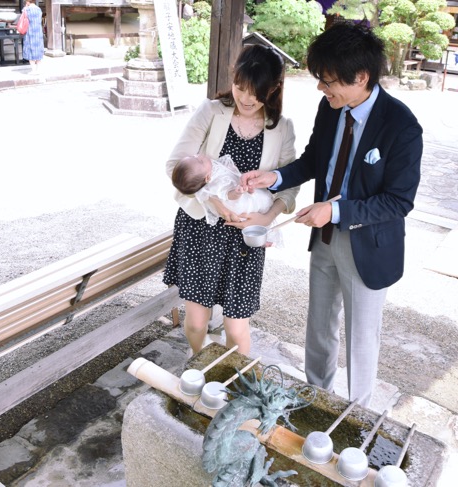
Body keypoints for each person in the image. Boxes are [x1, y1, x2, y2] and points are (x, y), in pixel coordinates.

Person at [241, 22, 422, 407]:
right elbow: (313, 161)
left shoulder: (402, 126)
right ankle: (315, 399)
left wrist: (335, 210)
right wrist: (272, 176)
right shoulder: (331, 107)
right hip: (324, 239)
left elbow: (398, 201)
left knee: (361, 337)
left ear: (361, 77)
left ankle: (357, 413)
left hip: (368, 245)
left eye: (328, 81)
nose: (322, 89)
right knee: (320, 326)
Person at [163, 45, 299, 356]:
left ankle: (235, 385)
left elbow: (288, 186)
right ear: (233, 79)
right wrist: (215, 204)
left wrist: (267, 219)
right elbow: (175, 166)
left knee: (236, 327)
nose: (246, 98)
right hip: (201, 230)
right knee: (197, 323)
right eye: (240, 87)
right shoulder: (211, 111)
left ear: (274, 88)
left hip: (246, 239)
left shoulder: (282, 128)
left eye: (256, 92)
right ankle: (202, 365)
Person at [171, 154, 280, 232]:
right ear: (208, 177)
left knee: (260, 202)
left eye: (195, 156)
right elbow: (227, 195)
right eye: (200, 161)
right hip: (236, 202)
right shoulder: (216, 184)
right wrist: (237, 193)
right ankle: (265, 233)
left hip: (237, 189)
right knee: (259, 205)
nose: (199, 156)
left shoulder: (207, 171)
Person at [21, 0, 44, 74]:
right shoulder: (39, 9)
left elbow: (22, 18)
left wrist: (25, 7)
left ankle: (33, 70)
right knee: (38, 50)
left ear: (28, 2)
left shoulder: (26, 9)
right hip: (38, 32)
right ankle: (39, 70)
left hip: (30, 32)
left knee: (30, 50)